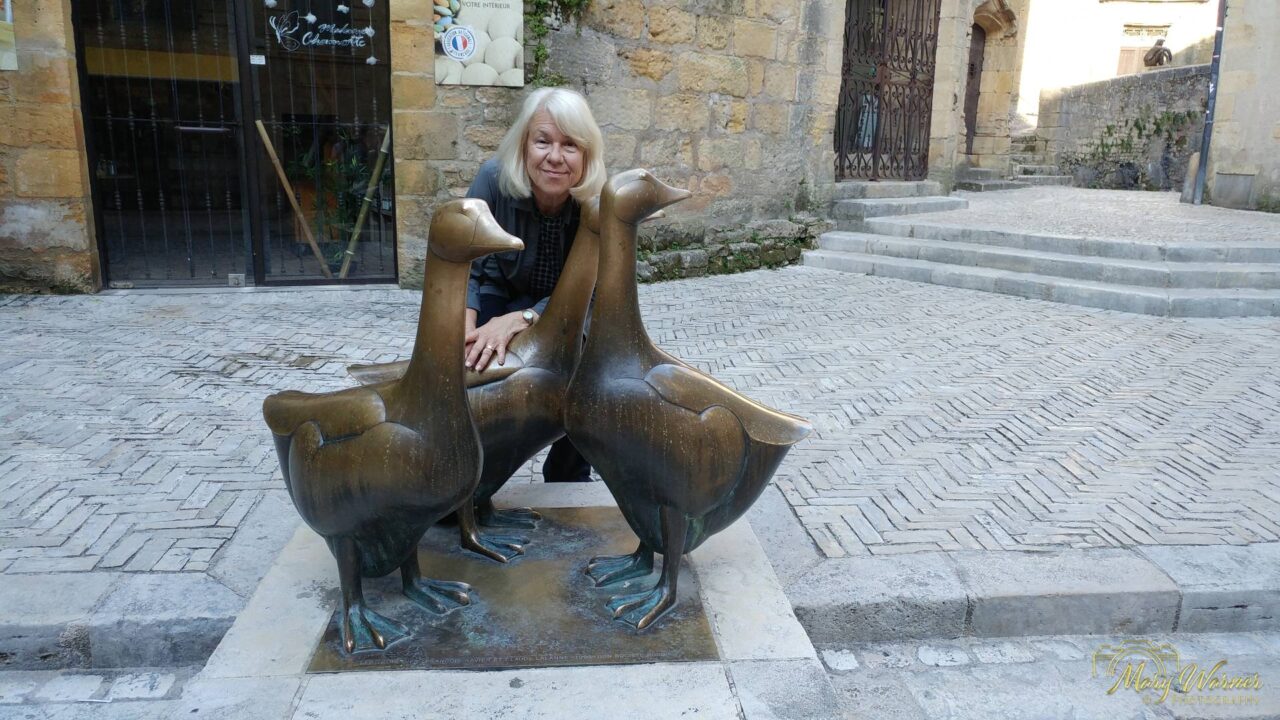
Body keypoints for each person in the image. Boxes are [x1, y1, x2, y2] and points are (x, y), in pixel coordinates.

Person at [464, 87, 605, 483]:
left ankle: (568, 478)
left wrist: (522, 319)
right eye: (543, 141)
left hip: (566, 312)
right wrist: (465, 330)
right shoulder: (492, 181)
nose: (555, 157)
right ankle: (475, 478)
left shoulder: (597, 203)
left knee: (581, 375)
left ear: (587, 154)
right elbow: (465, 267)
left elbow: (598, 293)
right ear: (524, 144)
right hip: (499, 295)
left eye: (570, 145)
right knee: (476, 371)